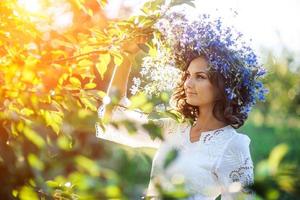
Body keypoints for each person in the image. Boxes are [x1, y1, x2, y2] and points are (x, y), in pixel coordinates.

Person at [96, 12, 267, 200]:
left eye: (200, 77)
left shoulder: (232, 144)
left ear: (223, 87)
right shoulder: (173, 127)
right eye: (188, 75)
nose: (188, 84)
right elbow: (112, 118)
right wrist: (126, 57)